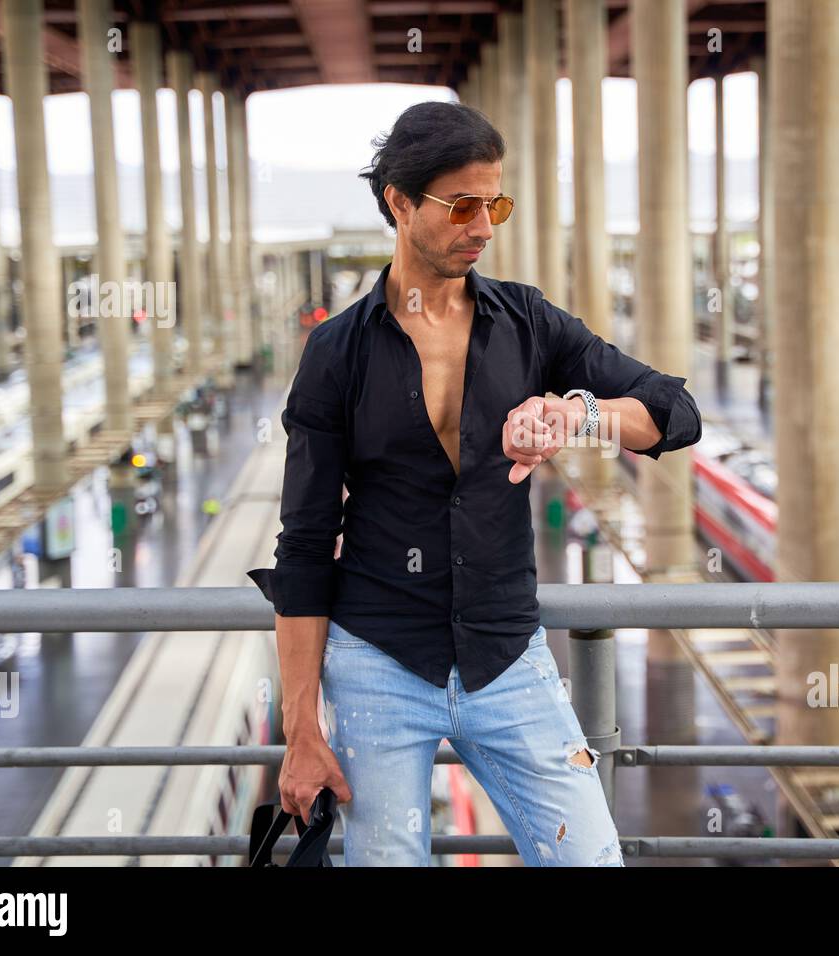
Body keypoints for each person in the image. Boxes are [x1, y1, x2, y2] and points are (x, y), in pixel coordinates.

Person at [247, 101, 702, 866]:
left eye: (496, 203)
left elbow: (674, 412)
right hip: (377, 666)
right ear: (399, 201)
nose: (485, 226)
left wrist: (575, 415)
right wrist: (301, 731)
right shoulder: (336, 353)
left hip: (509, 660)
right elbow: (302, 547)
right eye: (462, 205)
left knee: (591, 858)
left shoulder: (527, 321)